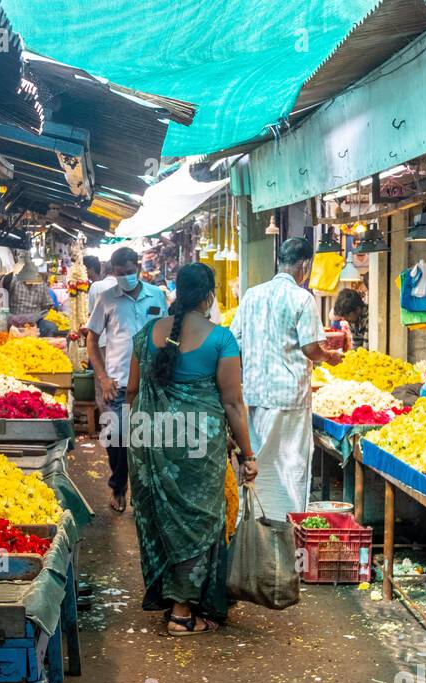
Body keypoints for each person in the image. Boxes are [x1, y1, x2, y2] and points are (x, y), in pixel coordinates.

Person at [126, 263, 256, 634]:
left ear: (176, 294)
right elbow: (233, 404)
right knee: (198, 522)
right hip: (199, 450)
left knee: (164, 519)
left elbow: (131, 393)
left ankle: (174, 597)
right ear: (208, 296)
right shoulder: (222, 339)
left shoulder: (146, 333)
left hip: (150, 444)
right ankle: (182, 613)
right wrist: (248, 455)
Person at [230, 237, 344, 519]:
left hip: (255, 396)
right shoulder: (302, 298)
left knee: (257, 460)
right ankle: (287, 526)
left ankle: (254, 523)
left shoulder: (252, 295)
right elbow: (310, 348)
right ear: (304, 266)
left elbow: (234, 342)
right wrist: (328, 356)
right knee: (290, 468)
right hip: (290, 398)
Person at [87, 246, 168, 513]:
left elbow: (167, 334)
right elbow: (92, 339)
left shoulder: (157, 295)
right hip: (118, 382)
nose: (126, 278)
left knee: (149, 440)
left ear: (139, 269)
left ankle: (143, 493)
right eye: (120, 274)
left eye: (130, 272)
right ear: (113, 273)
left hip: (151, 381)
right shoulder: (107, 299)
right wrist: (102, 377)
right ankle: (118, 485)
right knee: (116, 436)